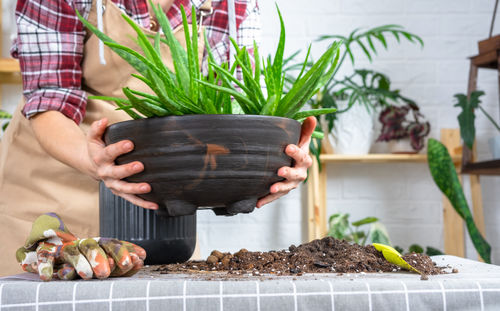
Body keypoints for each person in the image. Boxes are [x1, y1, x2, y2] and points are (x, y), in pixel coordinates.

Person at [0, 0, 316, 277]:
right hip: (53, 181)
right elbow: (50, 99)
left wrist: (275, 159)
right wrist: (94, 162)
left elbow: (232, 114)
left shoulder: (230, 4)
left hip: (158, 209)